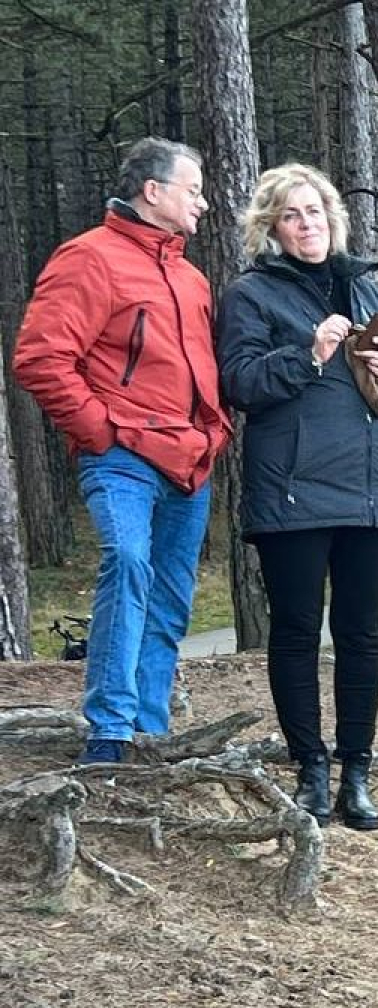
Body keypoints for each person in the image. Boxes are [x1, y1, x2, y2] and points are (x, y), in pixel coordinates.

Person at [214, 163, 378, 830]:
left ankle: (356, 773)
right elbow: (240, 384)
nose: (307, 224)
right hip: (291, 493)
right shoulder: (252, 296)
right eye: (291, 215)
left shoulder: (368, 290)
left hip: (372, 487)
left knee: (363, 636)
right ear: (270, 229)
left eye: (315, 212)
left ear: (332, 219)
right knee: (297, 633)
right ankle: (311, 768)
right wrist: (308, 354)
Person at [12, 137, 231, 764]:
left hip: (189, 462)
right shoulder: (88, 259)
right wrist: (101, 431)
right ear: (153, 191)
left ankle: (148, 733)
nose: (204, 203)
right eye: (193, 190)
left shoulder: (190, 276)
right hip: (123, 457)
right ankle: (107, 733)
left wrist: (211, 433)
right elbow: (40, 359)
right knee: (129, 565)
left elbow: (201, 369)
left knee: (169, 599)